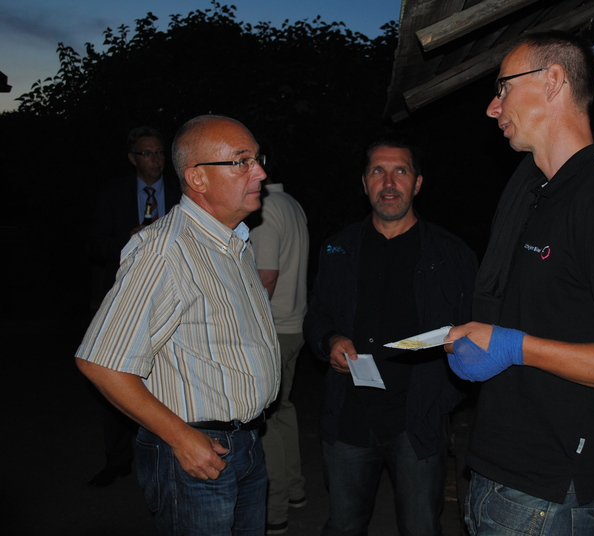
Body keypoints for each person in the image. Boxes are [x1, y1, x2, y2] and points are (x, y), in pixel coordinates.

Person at [444, 31, 594, 536]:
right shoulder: (539, 193)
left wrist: (514, 346)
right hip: (504, 469)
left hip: (548, 491)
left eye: (503, 87)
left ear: (553, 81)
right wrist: (488, 336)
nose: (493, 107)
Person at [76, 115, 281, 535]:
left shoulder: (233, 242)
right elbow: (100, 362)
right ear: (197, 178)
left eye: (257, 159)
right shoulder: (165, 251)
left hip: (245, 444)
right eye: (241, 161)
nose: (260, 172)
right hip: (195, 454)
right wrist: (182, 439)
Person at [304, 138, 478, 536]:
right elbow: (316, 315)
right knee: (344, 526)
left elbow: (475, 332)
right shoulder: (338, 248)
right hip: (348, 418)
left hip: (417, 423)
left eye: (400, 171)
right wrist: (329, 340)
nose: (388, 182)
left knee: (421, 528)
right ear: (364, 183)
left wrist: (444, 401)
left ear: (417, 183)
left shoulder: (451, 255)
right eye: (377, 172)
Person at [85, 126, 182, 487]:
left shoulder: (180, 192)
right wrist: (125, 242)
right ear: (132, 158)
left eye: (160, 152)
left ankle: (168, 451)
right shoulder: (114, 193)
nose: (156, 160)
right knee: (118, 374)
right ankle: (117, 460)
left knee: (166, 378)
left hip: (169, 298)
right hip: (123, 296)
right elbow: (94, 245)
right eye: (147, 153)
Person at [249, 177, 309, 535]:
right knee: (282, 410)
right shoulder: (291, 203)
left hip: (273, 329)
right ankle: (296, 490)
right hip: (294, 325)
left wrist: (245, 327)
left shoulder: (266, 208)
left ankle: (275, 511)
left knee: (264, 420)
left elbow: (266, 277)